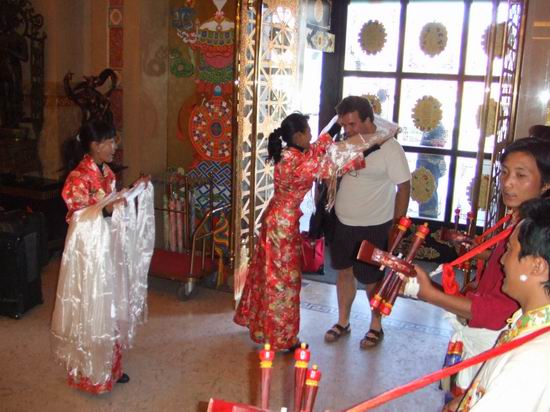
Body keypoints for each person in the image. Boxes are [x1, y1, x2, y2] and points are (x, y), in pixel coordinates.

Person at [414, 137, 550, 398]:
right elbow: (504, 267)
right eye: (505, 173)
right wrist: (484, 256)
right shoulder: (517, 221)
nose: (508, 183)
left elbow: (500, 310)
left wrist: (432, 295)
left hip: (490, 340)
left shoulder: (532, 234)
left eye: (521, 175)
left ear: (546, 184)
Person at [51, 119, 153, 394]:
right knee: (93, 304)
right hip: (88, 252)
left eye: (113, 141)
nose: (113, 147)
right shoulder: (77, 178)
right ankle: (91, 374)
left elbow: (110, 203)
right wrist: (110, 208)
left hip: (107, 245)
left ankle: (112, 366)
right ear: (93, 146)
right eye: (108, 142)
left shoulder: (106, 172)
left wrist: (134, 189)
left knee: (112, 303)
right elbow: (80, 214)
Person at [234, 113, 337, 351]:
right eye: (308, 131)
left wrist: (332, 132)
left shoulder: (292, 154)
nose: (311, 135)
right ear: (298, 136)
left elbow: (315, 151)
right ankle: (283, 338)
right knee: (285, 283)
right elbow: (327, 166)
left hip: (277, 220)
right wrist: (358, 151)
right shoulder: (296, 161)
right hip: (281, 227)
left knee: (269, 277)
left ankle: (263, 328)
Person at [446, 198, 550, 411]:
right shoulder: (528, 319)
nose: (501, 261)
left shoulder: (531, 360)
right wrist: (469, 399)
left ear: (537, 266)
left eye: (509, 250)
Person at [324, 95, 411, 349]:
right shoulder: (348, 143)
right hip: (343, 222)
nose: (348, 130)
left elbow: (403, 187)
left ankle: (376, 326)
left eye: (353, 124)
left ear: (368, 120)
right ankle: (343, 321)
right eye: (345, 125)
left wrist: (398, 225)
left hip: (374, 224)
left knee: (372, 279)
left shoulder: (389, 147)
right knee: (343, 272)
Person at [416, 123, 447, 219]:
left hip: (432, 164)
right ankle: (423, 217)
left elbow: (439, 143)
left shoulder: (438, 127)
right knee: (422, 190)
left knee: (430, 191)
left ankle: (429, 218)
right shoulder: (429, 125)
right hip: (424, 164)